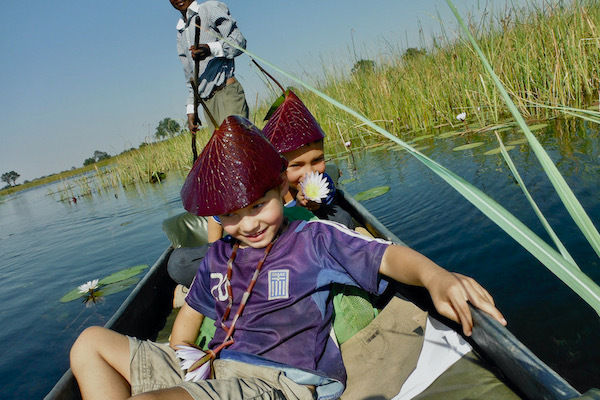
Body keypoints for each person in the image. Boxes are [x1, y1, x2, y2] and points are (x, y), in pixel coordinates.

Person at [70, 116, 509, 400]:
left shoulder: (312, 239)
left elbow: (388, 257)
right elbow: (188, 322)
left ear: (283, 190)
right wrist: (181, 360)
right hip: (215, 367)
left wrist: (435, 278)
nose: (248, 224)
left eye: (259, 205)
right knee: (90, 343)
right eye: (231, 215)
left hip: (278, 382)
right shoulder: (218, 255)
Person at [262, 90, 355, 229]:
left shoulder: (323, 183)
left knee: (342, 218)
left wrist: (314, 204)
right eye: (296, 165)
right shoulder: (267, 190)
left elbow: (327, 198)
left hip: (319, 226)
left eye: (317, 160)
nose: (309, 173)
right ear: (276, 168)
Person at [169, 0, 249, 133]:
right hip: (208, 104)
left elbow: (239, 42)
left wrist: (211, 49)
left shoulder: (209, 9)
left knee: (239, 146)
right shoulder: (181, 31)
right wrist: (191, 108)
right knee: (222, 153)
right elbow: (191, 76)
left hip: (227, 93)